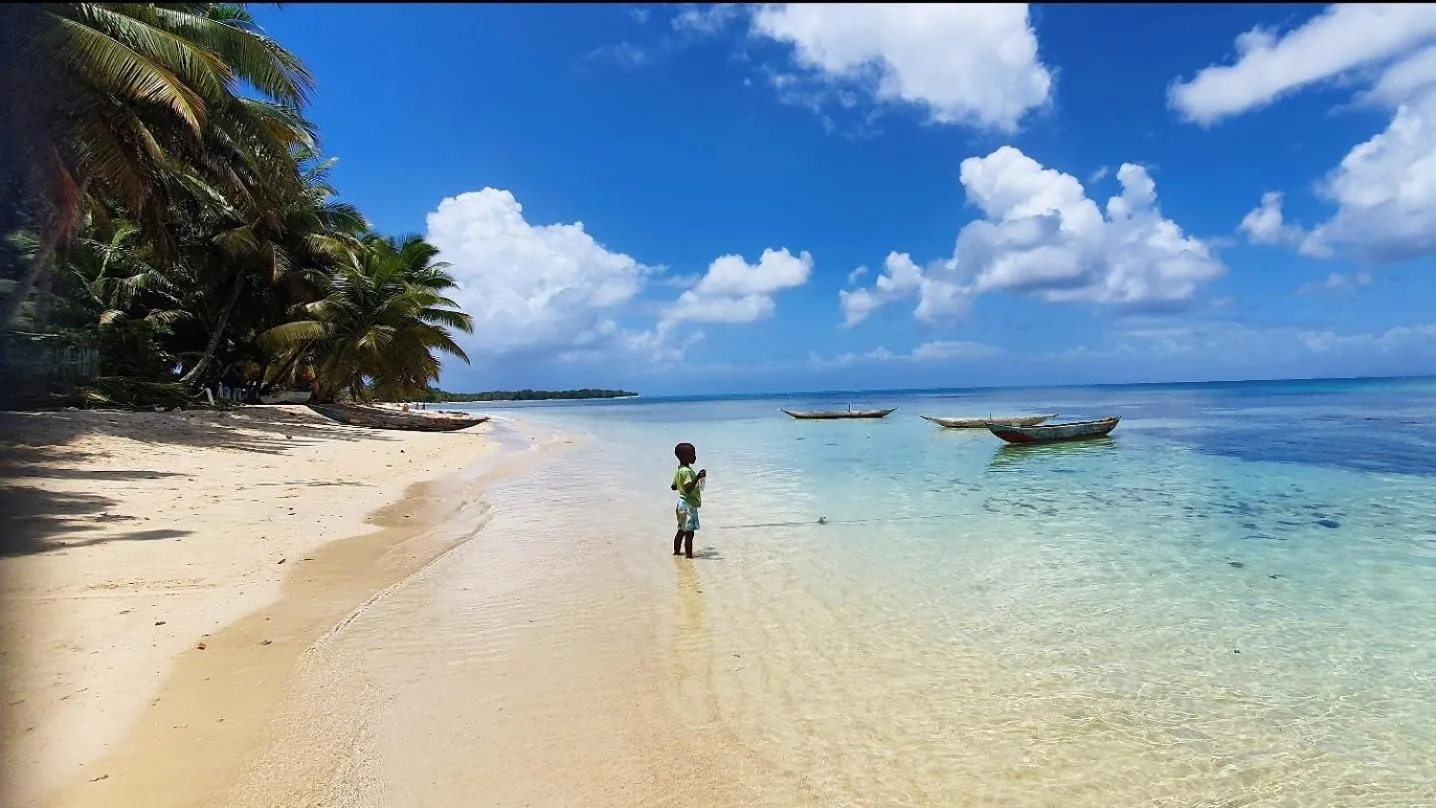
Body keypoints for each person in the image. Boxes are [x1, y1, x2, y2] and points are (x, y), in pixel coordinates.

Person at [670, 442, 706, 558]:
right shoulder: (686, 471)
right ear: (685, 457)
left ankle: (676, 552)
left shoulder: (679, 470)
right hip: (688, 505)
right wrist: (697, 477)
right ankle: (689, 556)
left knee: (681, 530)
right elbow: (687, 489)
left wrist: (687, 482)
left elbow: (674, 486)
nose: (694, 457)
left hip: (681, 504)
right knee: (689, 533)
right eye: (692, 454)